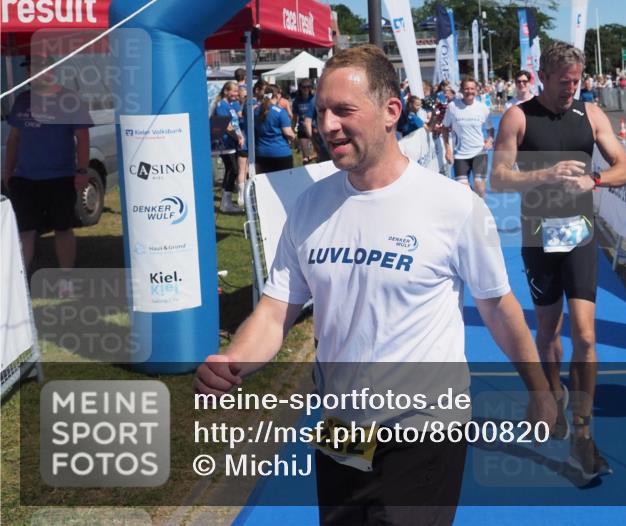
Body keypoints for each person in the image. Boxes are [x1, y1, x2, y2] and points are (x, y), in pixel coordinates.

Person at [195, 45, 555, 524]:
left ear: (391, 112)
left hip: (424, 430)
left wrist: (540, 388)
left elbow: (497, 306)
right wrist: (232, 361)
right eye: (321, 110)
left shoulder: (453, 206)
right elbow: (274, 310)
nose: (326, 126)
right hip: (339, 429)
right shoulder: (309, 206)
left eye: (343, 110)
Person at [491, 41, 626, 480]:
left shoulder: (590, 115)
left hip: (580, 234)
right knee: (549, 332)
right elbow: (498, 178)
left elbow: (625, 168)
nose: (572, 88)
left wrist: (593, 180)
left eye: (577, 81)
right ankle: (552, 393)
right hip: (538, 235)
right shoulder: (519, 116)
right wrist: (544, 175)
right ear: (544, 79)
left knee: (587, 336)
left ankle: (584, 436)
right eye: (564, 82)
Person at [3, 56, 93, 271]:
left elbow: (83, 137)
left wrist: (82, 170)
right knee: (25, 231)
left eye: (37, 69)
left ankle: (66, 278)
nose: (31, 74)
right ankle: (21, 283)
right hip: (26, 178)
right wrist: (8, 170)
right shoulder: (22, 100)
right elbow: (14, 139)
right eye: (29, 70)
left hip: (60, 177)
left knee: (62, 229)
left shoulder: (69, 99)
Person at [443, 77, 493, 198]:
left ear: (476, 90)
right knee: (463, 192)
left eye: (472, 88)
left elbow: (490, 129)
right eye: (466, 88)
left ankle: (481, 212)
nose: (469, 91)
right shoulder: (453, 107)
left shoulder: (483, 108)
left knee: (479, 187)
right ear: (461, 90)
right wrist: (448, 150)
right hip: (460, 155)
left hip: (479, 152)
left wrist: (490, 139)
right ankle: (472, 209)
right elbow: (444, 128)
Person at [210, 81, 244, 213]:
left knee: (232, 169)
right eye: (234, 91)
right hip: (224, 143)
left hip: (232, 142)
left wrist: (239, 136)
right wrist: (238, 137)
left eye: (237, 91)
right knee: (233, 169)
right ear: (226, 91)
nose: (236, 94)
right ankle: (226, 202)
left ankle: (226, 201)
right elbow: (227, 126)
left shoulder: (231, 105)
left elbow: (235, 123)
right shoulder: (221, 105)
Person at [254, 84, 295, 173]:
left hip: (261, 153)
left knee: (264, 184)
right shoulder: (280, 112)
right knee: (285, 184)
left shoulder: (256, 110)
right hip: (280, 153)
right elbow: (288, 133)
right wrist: (294, 137)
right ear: (277, 95)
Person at [292, 79, 317, 163]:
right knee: (306, 158)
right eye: (304, 87)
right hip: (302, 131)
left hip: (314, 130)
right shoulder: (296, 101)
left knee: (317, 155)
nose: (306, 89)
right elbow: (294, 118)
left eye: (308, 87)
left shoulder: (314, 100)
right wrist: (293, 131)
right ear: (300, 88)